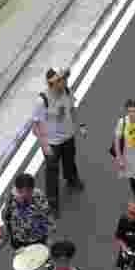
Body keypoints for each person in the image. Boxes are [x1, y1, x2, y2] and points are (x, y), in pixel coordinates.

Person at [32, 68, 85, 217]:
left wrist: (79, 125)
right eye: (62, 80)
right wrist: (44, 145)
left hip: (68, 137)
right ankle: (52, 203)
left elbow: (72, 109)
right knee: (52, 173)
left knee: (70, 161)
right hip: (52, 143)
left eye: (65, 79)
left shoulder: (67, 91)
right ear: (52, 83)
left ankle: (71, 179)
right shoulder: (42, 100)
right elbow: (35, 126)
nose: (65, 82)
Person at [1, 172, 52, 270]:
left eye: (27, 191)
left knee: (40, 266)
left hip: (38, 237)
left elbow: (46, 216)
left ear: (31, 189)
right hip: (20, 239)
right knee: (25, 268)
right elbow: (5, 217)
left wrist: (50, 236)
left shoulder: (38, 196)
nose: (24, 194)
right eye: (21, 191)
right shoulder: (11, 197)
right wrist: (16, 204)